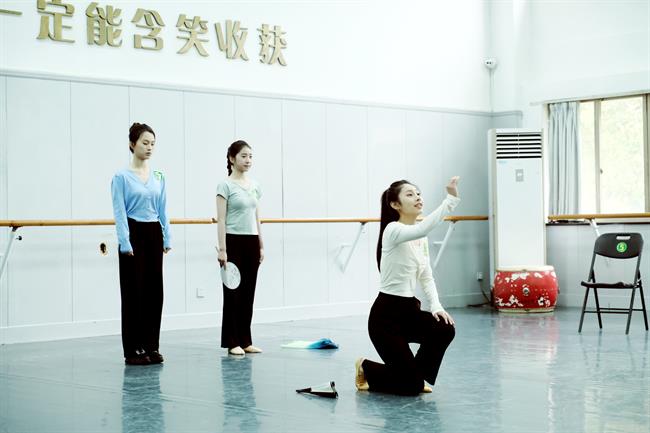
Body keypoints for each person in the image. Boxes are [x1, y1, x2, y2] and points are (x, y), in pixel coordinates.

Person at [355, 177, 460, 395]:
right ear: (395, 204)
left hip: (409, 311)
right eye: (410, 195)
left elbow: (426, 276)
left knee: (445, 328)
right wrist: (450, 201)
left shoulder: (420, 239)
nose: (418, 198)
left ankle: (414, 377)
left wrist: (436, 306)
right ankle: (366, 367)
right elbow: (422, 229)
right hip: (385, 319)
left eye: (418, 193)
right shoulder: (393, 230)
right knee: (410, 387)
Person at [111, 122, 171, 365]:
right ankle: (133, 349)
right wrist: (124, 242)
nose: (149, 147)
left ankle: (151, 345)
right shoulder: (121, 177)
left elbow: (163, 209)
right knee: (133, 292)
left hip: (153, 232)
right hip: (133, 233)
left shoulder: (158, 176)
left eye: (153, 144)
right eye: (145, 143)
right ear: (132, 144)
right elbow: (119, 212)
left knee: (154, 292)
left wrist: (167, 236)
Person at [216, 140, 264, 356]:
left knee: (248, 293)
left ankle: (245, 340)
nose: (248, 160)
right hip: (233, 241)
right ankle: (232, 341)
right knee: (232, 294)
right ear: (232, 158)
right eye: (244, 156)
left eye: (250, 156)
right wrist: (222, 249)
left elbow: (257, 217)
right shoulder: (225, 186)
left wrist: (261, 245)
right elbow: (221, 219)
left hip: (251, 242)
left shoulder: (255, 185)